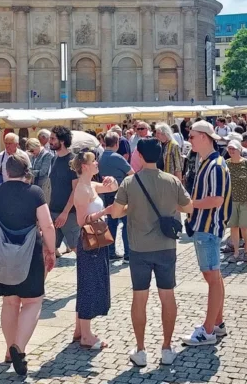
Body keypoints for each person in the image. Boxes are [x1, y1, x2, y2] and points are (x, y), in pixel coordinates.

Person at [108, 138, 192, 367]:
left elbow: (115, 213)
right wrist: (169, 207)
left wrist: (130, 207)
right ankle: (166, 348)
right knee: (168, 296)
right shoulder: (172, 180)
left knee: (140, 298)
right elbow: (188, 206)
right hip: (166, 246)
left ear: (140, 156)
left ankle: (141, 349)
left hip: (139, 248)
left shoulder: (130, 182)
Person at [0, 153, 56, 375]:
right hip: (30, 256)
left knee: (10, 302)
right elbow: (47, 226)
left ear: (6, 171)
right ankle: (19, 348)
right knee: (33, 302)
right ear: (26, 171)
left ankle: (9, 350)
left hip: (1, 256)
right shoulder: (35, 193)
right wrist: (51, 249)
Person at [182, 120, 231, 347]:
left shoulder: (215, 165)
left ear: (204, 136)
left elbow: (217, 200)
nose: (189, 140)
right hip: (206, 227)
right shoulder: (207, 162)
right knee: (214, 277)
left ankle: (208, 330)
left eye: (191, 136)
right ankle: (217, 323)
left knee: (212, 278)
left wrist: (190, 205)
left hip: (208, 227)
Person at [69, 152, 119, 350]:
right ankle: (87, 336)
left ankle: (80, 330)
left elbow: (112, 187)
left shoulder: (91, 185)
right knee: (89, 285)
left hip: (96, 242)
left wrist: (112, 180)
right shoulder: (82, 189)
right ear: (84, 166)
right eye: (93, 161)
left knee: (88, 283)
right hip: (89, 242)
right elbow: (82, 221)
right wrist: (105, 212)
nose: (97, 163)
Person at [99, 132, 134, 262]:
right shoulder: (117, 157)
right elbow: (132, 174)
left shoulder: (101, 157)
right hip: (121, 194)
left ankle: (111, 252)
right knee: (125, 223)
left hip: (106, 194)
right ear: (117, 143)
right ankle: (128, 253)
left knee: (112, 223)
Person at [48, 126, 81, 254]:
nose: (49, 141)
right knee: (48, 249)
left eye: (52, 138)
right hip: (54, 211)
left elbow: (75, 189)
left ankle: (88, 274)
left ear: (62, 141)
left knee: (76, 248)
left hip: (69, 214)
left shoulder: (73, 161)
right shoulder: (53, 159)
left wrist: (65, 212)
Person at [225, 141, 247, 263]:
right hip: (231, 201)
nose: (231, 151)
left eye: (234, 149)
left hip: (245, 200)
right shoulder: (226, 164)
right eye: (230, 149)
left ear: (239, 150)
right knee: (233, 227)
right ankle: (236, 252)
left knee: (244, 226)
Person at [26, 138, 54, 203]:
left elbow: (42, 172)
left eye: (32, 151)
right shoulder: (34, 155)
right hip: (35, 184)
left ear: (37, 146)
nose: (31, 153)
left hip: (44, 185)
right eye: (30, 151)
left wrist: (29, 172)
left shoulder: (47, 155)